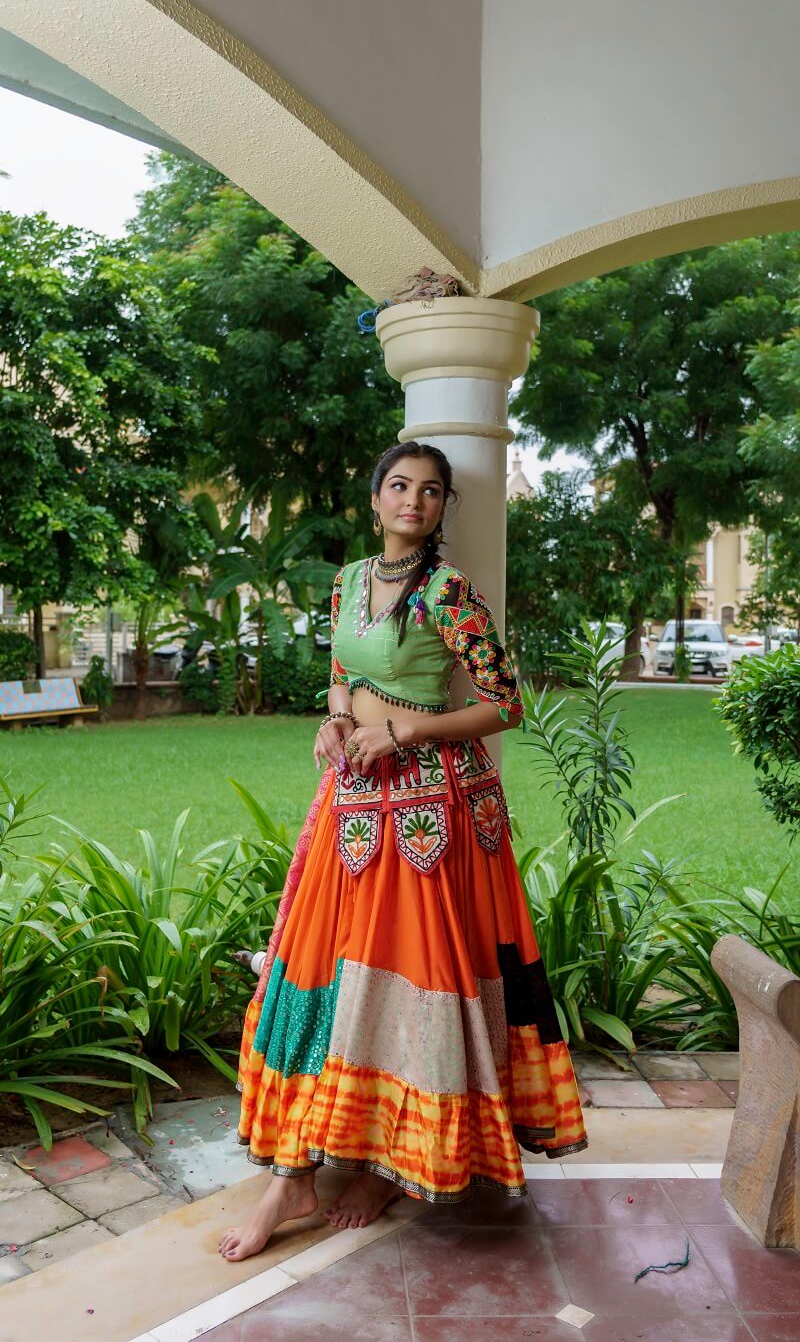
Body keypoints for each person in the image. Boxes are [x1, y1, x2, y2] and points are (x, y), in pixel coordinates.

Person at [219, 441, 588, 1262]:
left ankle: (393, 1166)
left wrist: (410, 727)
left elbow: (505, 705)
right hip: (353, 803)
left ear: (441, 508)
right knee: (323, 969)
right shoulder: (351, 581)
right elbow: (341, 674)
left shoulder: (450, 593)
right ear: (375, 498)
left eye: (429, 491)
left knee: (413, 981)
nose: (412, 501)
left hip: (431, 811)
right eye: (398, 486)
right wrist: (336, 718)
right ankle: (294, 1174)